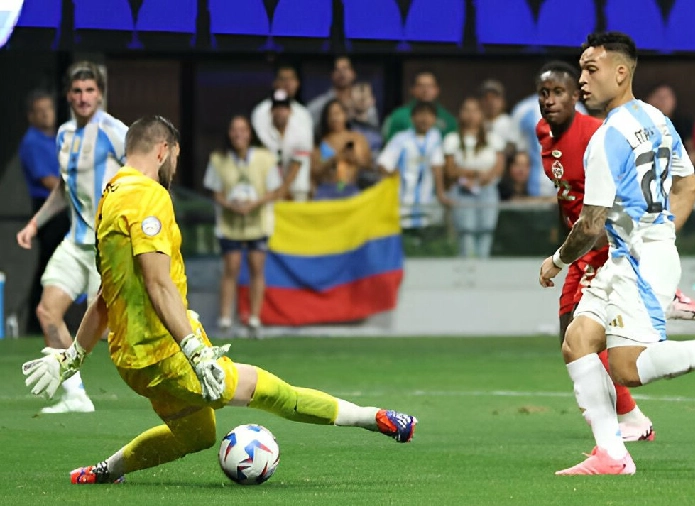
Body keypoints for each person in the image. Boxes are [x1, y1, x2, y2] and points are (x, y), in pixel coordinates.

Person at [20, 115, 417, 485]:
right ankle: (374, 418)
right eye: (175, 155)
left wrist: (74, 356)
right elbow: (158, 285)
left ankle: (105, 471)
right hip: (167, 354)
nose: (175, 164)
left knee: (198, 435)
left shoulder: (109, 196)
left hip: (132, 362)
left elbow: (108, 292)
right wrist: (194, 350)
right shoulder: (148, 197)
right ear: (162, 149)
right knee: (274, 392)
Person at [538, 32, 695, 476]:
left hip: (637, 261)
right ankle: (611, 455)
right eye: (580, 69)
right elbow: (688, 187)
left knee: (627, 369)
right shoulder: (656, 119)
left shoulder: (603, 140)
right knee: (578, 341)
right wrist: (658, 232)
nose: (582, 80)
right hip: (631, 256)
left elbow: (591, 223)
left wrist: (556, 262)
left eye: (590, 70)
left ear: (620, 72)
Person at [534, 60, 695, 443]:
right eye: (543, 93)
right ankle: (626, 423)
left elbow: (614, 199)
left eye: (558, 93)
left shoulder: (596, 134)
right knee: (578, 338)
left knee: (582, 337)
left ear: (575, 97)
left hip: (602, 239)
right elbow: (566, 194)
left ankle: (629, 419)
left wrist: (640, 241)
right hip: (584, 238)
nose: (549, 101)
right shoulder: (544, 133)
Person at [17, 61, 128, 414]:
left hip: (108, 245)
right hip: (74, 242)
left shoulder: (115, 131)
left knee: (119, 336)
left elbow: (143, 172)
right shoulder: (64, 135)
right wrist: (35, 224)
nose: (83, 97)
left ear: (100, 94)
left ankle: (189, 367)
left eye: (90, 91)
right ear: (69, 95)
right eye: (77, 91)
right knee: (47, 312)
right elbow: (64, 188)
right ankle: (76, 394)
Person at [203, 114, 280, 336]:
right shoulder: (219, 159)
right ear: (229, 134)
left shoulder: (265, 158)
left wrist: (254, 204)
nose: (239, 134)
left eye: (243, 129)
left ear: (250, 133)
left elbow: (273, 190)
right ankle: (225, 318)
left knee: (257, 267)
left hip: (258, 221)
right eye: (234, 130)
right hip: (230, 223)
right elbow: (215, 193)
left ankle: (254, 318)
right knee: (231, 267)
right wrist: (231, 205)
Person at [18, 90, 70, 336]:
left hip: (66, 209)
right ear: (31, 116)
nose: (46, 115)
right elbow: (51, 182)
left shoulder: (58, 138)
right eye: (40, 111)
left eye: (48, 109)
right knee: (50, 268)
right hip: (48, 211)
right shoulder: (32, 141)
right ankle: (39, 322)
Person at [444, 97, 505, 258]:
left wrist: (486, 178)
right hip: (463, 190)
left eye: (475, 110)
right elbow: (450, 170)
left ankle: (484, 268)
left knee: (486, 231)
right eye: (467, 110)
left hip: (487, 190)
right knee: (466, 233)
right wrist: (476, 174)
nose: (471, 115)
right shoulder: (452, 139)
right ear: (460, 114)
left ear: (481, 114)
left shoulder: (493, 138)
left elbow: (499, 166)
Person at [378, 101, 448, 229]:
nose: (425, 119)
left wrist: (441, 194)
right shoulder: (400, 139)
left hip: (426, 201)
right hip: (402, 202)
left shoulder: (435, 138)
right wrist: (391, 174)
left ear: (434, 119)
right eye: (421, 114)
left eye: (429, 115)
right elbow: (383, 164)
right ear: (412, 118)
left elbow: (437, 168)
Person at [252, 90, 314, 202]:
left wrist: (284, 189)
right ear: (271, 111)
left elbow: (297, 162)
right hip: (270, 185)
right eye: (277, 108)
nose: (280, 112)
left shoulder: (301, 128)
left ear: (290, 111)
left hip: (297, 183)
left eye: (284, 108)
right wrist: (277, 191)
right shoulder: (261, 130)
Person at [311, 99, 372, 200]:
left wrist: (355, 159)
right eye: (330, 115)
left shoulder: (357, 138)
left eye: (338, 113)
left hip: (350, 188)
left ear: (345, 115)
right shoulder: (323, 142)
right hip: (327, 190)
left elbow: (368, 165)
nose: (334, 118)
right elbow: (314, 172)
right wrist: (333, 160)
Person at [382, 71, 458, 143]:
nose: (425, 90)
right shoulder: (398, 116)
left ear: (437, 90)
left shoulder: (448, 119)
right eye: (421, 86)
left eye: (430, 86)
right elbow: (390, 143)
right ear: (412, 89)